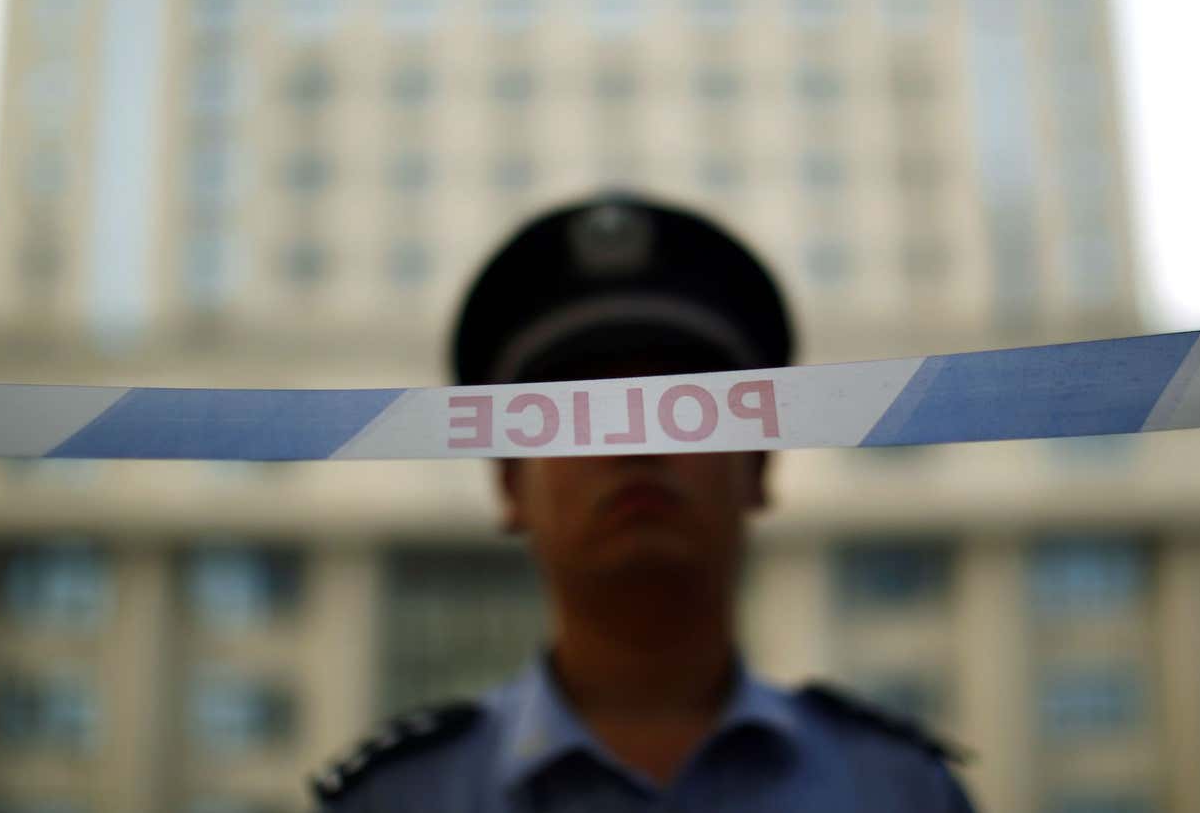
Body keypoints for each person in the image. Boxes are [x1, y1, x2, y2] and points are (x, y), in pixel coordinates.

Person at [312, 191, 976, 812]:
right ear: (509, 484)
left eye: (689, 407)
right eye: (577, 411)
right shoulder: (399, 796)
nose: (636, 444)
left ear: (759, 468)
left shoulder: (902, 790)